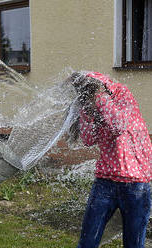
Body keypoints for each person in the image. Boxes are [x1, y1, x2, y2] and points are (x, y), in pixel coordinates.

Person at [66, 71, 152, 248]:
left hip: (136, 184)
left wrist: (99, 97)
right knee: (87, 242)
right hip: (104, 182)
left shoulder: (122, 94)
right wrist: (88, 112)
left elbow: (118, 125)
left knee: (134, 244)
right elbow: (89, 139)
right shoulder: (90, 105)